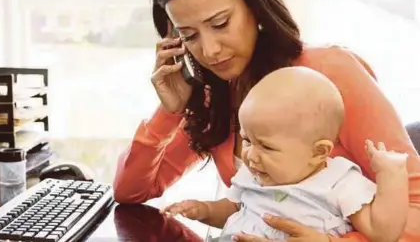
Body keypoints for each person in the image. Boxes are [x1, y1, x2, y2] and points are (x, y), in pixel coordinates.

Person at [112, 0, 420, 242]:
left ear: (255, 5)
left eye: (220, 24)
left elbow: (416, 207)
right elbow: (131, 191)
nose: (209, 50)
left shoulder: (331, 72)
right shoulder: (213, 93)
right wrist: (169, 113)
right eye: (189, 36)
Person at [160, 67, 409, 242]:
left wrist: (392, 176)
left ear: (318, 152)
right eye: (247, 140)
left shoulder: (339, 181)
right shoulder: (254, 173)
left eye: (266, 147)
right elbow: (233, 209)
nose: (250, 156)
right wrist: (203, 209)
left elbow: (382, 232)